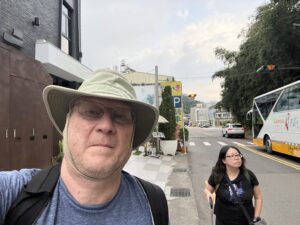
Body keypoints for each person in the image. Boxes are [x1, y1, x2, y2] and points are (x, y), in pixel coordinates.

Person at [0, 69, 168, 225]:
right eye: (91, 112)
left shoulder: (154, 203)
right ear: (67, 124)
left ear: (131, 137)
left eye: (120, 116)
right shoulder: (14, 194)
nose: (106, 126)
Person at [204, 145, 263, 225]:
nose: (236, 158)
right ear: (224, 160)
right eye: (231, 156)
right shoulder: (217, 175)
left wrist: (256, 217)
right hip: (223, 221)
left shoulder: (248, 175)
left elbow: (258, 197)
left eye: (238, 155)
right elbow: (208, 189)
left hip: (246, 221)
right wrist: (208, 194)